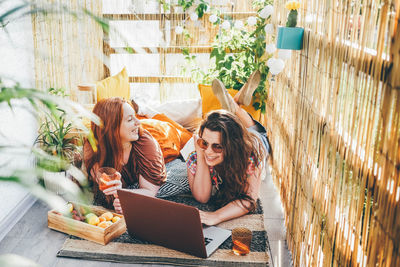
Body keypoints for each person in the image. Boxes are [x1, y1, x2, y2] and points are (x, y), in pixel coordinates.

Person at [186, 70, 272, 225]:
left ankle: (236, 106)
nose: (209, 151)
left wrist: (216, 216)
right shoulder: (197, 155)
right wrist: (201, 154)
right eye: (204, 142)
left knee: (255, 130)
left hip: (257, 139)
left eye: (217, 146)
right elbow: (202, 197)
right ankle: (236, 102)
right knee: (227, 124)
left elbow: (249, 200)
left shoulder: (250, 157)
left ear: (231, 146)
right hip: (237, 135)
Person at [84, 97, 167, 213]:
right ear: (112, 127)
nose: (138, 122)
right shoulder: (93, 146)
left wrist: (124, 195)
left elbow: (150, 190)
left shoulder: (145, 143)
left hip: (166, 147)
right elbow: (105, 192)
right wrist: (116, 192)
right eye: (130, 120)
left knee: (164, 189)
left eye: (135, 116)